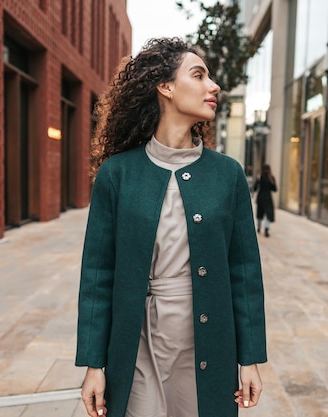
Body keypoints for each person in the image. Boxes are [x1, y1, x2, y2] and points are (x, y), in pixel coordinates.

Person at [75, 37, 267, 417]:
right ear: (165, 87)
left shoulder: (227, 174)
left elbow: (244, 274)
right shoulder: (118, 174)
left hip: (206, 336)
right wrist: (94, 365)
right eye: (199, 76)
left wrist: (250, 358)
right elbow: (97, 276)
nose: (214, 87)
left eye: (211, 78)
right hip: (138, 336)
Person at [253, 164, 277, 237]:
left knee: (260, 213)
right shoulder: (271, 178)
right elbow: (275, 189)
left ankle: (259, 228)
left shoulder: (260, 177)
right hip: (268, 198)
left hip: (260, 197)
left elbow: (254, 188)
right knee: (268, 214)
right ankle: (266, 228)